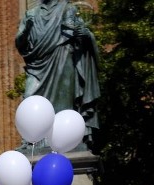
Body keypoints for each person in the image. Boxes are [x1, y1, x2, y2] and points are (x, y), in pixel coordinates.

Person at [15, 0, 100, 136]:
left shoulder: (68, 9)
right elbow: (19, 44)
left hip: (63, 60)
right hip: (37, 67)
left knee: (63, 109)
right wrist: (26, 30)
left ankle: (65, 138)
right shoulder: (31, 13)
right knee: (29, 99)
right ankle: (33, 142)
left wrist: (84, 35)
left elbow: (82, 35)